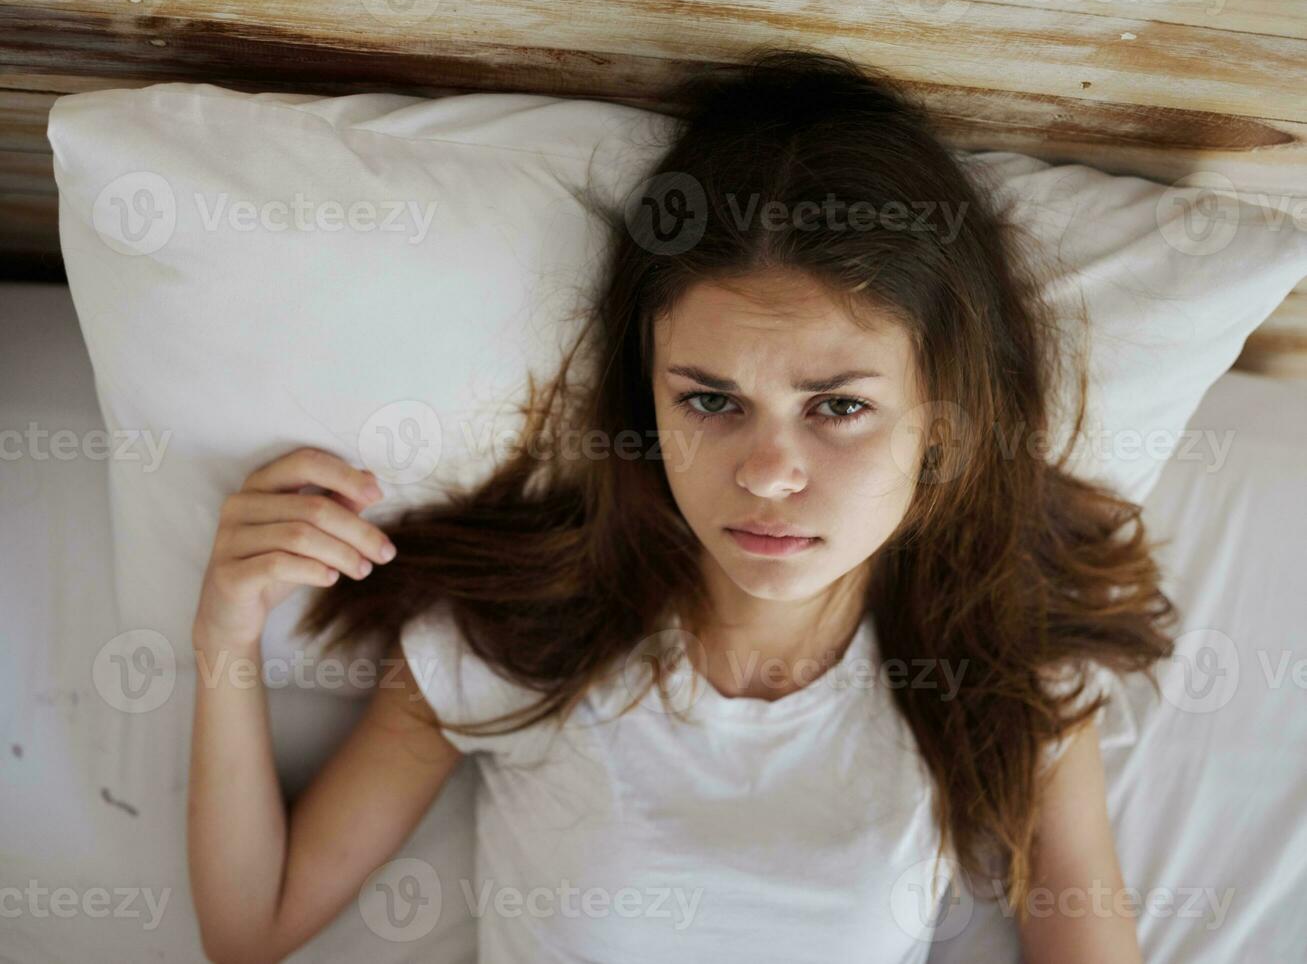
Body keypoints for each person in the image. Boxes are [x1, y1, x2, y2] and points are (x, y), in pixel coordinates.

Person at [187, 47, 1176, 963]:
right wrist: (226, 633)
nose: (764, 472)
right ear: (646, 398)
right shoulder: (523, 640)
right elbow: (252, 922)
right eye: (710, 400)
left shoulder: (1000, 683)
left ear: (945, 427)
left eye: (837, 406)